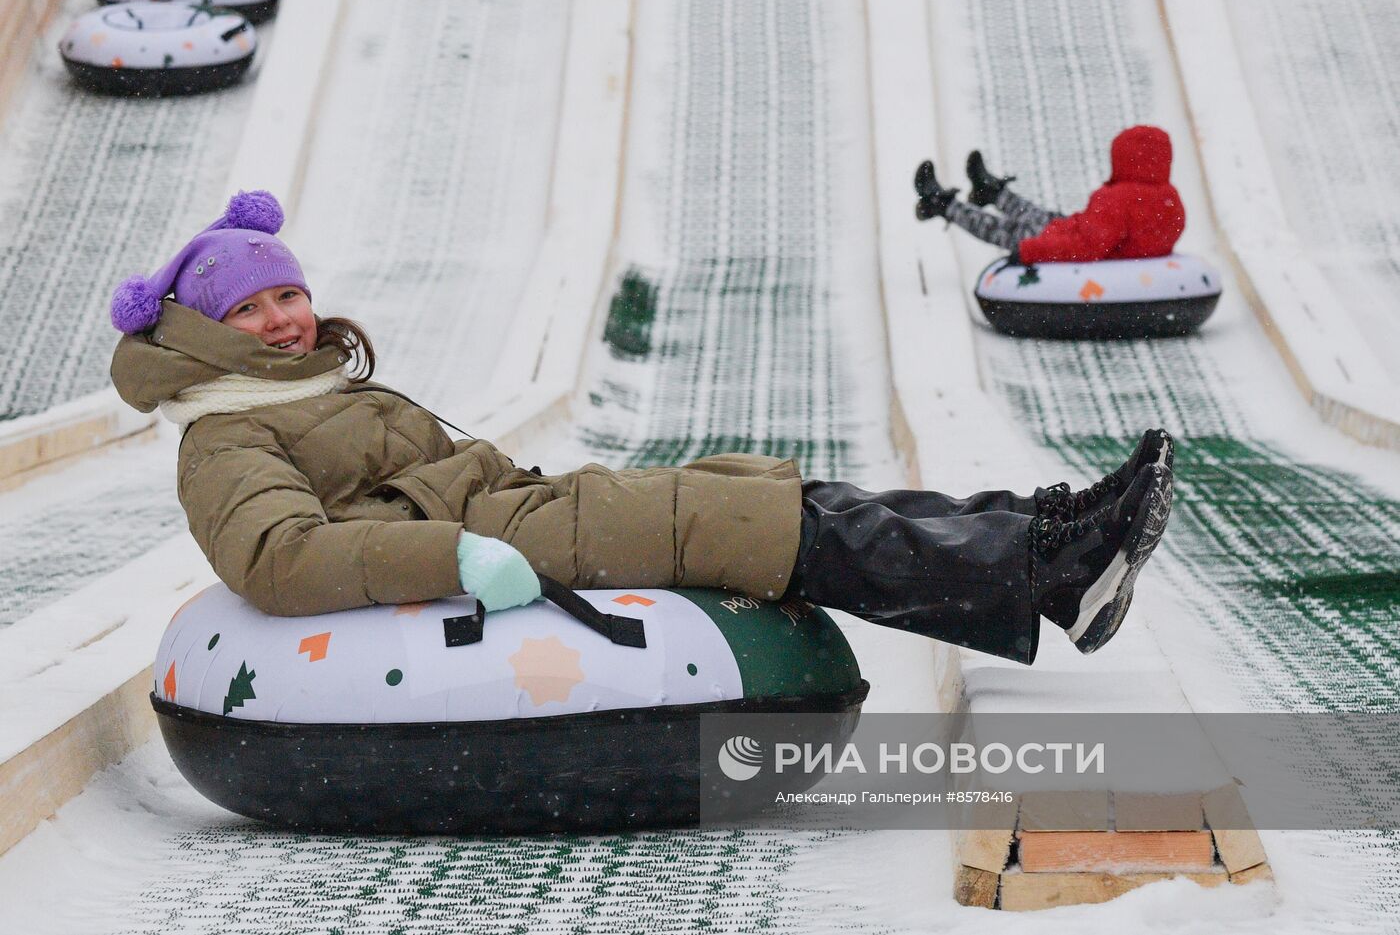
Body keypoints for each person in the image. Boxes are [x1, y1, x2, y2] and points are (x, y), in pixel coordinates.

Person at [108, 191, 1174, 665]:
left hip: (523, 506)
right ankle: (1043, 575)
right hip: (500, 543)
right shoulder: (224, 436)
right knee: (751, 528)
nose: (282, 320)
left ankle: (1042, 541)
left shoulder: (302, 391)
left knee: (777, 498)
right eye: (249, 311)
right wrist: (457, 553)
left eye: (285, 297)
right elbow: (279, 559)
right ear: (205, 335)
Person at [913, 125, 1186, 265]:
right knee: (1043, 218)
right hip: (1086, 235)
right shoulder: (1170, 198)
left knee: (1009, 230)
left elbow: (1087, 247)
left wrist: (1030, 251)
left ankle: (943, 205)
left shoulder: (1116, 198)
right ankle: (993, 194)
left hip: (1070, 245)